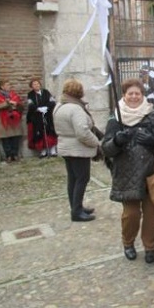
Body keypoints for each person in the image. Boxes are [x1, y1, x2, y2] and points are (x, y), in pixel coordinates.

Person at [102, 78, 154, 264]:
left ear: (142, 95)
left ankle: (150, 246)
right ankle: (128, 243)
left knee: (151, 213)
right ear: (124, 95)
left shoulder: (153, 115)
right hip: (126, 173)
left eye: (137, 93)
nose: (134, 96)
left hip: (150, 171)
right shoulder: (116, 118)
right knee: (131, 214)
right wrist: (117, 141)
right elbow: (105, 150)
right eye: (130, 93)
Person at [53, 79, 100, 222]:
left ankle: (75, 206)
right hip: (77, 148)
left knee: (73, 178)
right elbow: (82, 132)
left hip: (65, 145)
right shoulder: (75, 108)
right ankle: (77, 211)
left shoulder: (59, 105)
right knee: (82, 178)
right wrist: (97, 143)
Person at [0, 80, 24, 162]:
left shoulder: (13, 94)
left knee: (15, 137)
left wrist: (16, 104)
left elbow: (19, 104)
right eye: (7, 85)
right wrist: (8, 102)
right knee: (5, 139)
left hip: (14, 119)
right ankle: (8, 155)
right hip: (3, 120)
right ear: (2, 86)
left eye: (9, 84)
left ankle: (15, 154)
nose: (9, 86)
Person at [26, 78, 58, 157]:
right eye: (34, 84)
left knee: (50, 131)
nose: (36, 85)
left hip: (48, 115)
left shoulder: (46, 92)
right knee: (40, 133)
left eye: (37, 84)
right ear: (31, 86)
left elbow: (52, 101)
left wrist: (47, 107)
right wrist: (38, 109)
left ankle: (53, 150)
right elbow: (30, 104)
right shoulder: (30, 94)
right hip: (37, 116)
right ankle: (43, 151)